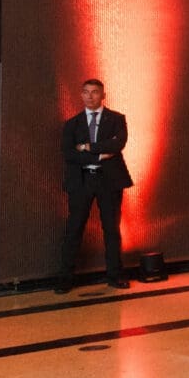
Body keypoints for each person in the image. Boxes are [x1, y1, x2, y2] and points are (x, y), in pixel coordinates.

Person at [58, 78, 133, 293]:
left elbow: (117, 144)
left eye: (94, 92)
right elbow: (69, 154)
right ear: (81, 95)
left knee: (111, 229)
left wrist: (87, 147)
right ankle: (65, 278)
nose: (90, 96)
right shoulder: (72, 124)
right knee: (74, 228)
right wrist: (99, 155)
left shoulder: (116, 119)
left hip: (108, 180)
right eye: (86, 92)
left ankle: (115, 275)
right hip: (81, 180)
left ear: (103, 95)